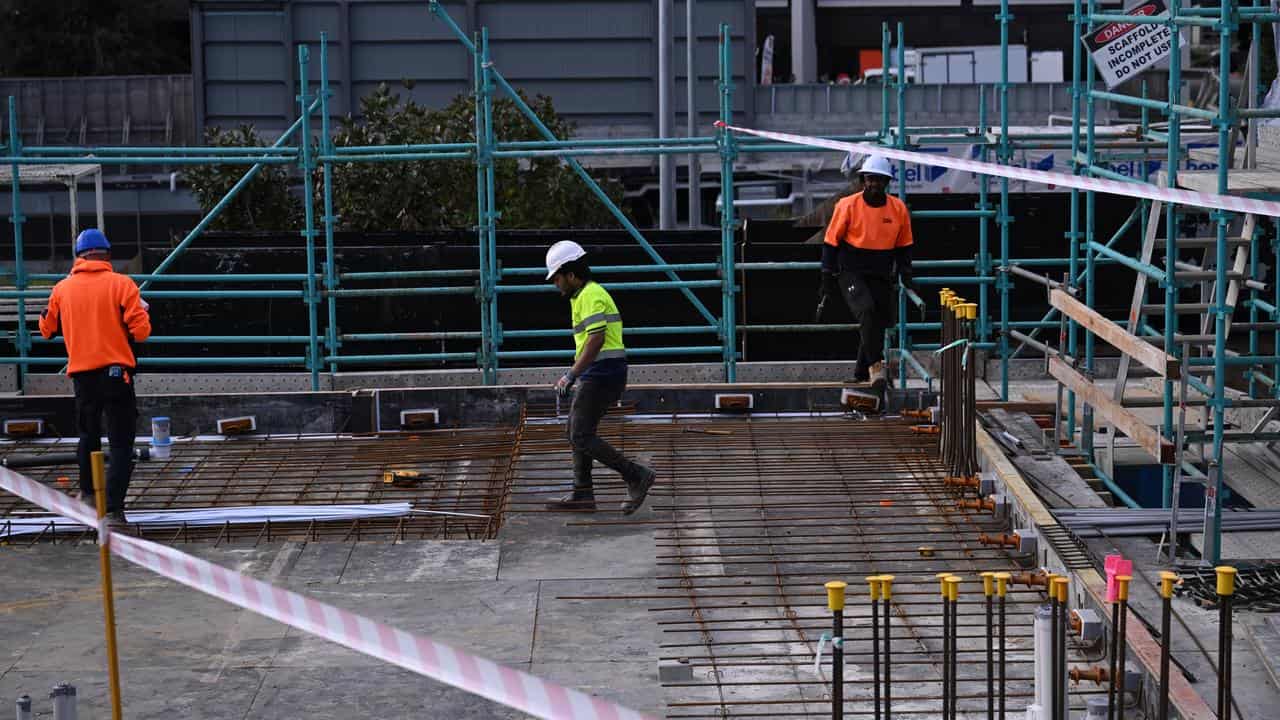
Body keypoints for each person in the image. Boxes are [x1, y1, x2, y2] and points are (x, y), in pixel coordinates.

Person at [38, 229, 151, 523]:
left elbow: (46, 329)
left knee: (88, 436)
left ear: (78, 257)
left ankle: (88, 495)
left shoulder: (62, 289)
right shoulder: (122, 285)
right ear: (108, 255)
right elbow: (141, 332)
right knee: (121, 443)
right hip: (117, 375)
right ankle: (113, 510)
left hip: (83, 378)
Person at [543, 240, 656, 514]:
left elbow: (596, 339)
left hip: (604, 374)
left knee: (580, 434)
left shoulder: (591, 295)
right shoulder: (581, 297)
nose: (555, 284)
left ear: (571, 274)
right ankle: (583, 495)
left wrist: (571, 375)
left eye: (557, 278)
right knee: (576, 431)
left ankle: (636, 475)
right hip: (600, 373)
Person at [820, 154, 914, 387]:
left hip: (881, 271)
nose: (874, 184)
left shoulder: (898, 208)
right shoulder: (847, 205)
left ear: (886, 183)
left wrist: (906, 273)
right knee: (867, 312)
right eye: (870, 179)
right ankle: (877, 366)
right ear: (863, 180)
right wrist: (826, 275)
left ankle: (860, 374)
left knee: (879, 322)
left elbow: (904, 246)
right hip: (851, 270)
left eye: (879, 180)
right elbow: (831, 242)